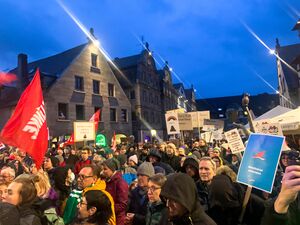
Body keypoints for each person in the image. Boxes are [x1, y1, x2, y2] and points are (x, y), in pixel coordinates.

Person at [102, 158, 129, 225]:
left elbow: (122, 205)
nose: (102, 171)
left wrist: (107, 209)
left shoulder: (120, 183)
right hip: (109, 217)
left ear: (112, 169)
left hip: (117, 220)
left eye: (105, 169)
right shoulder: (107, 181)